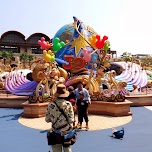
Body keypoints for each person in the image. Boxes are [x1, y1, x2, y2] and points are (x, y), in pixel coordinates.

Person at [45, 84, 74, 152]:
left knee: (56, 150)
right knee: (68, 150)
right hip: (66, 132)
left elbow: (47, 119)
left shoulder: (51, 104)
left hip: (55, 132)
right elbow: (71, 120)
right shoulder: (68, 104)